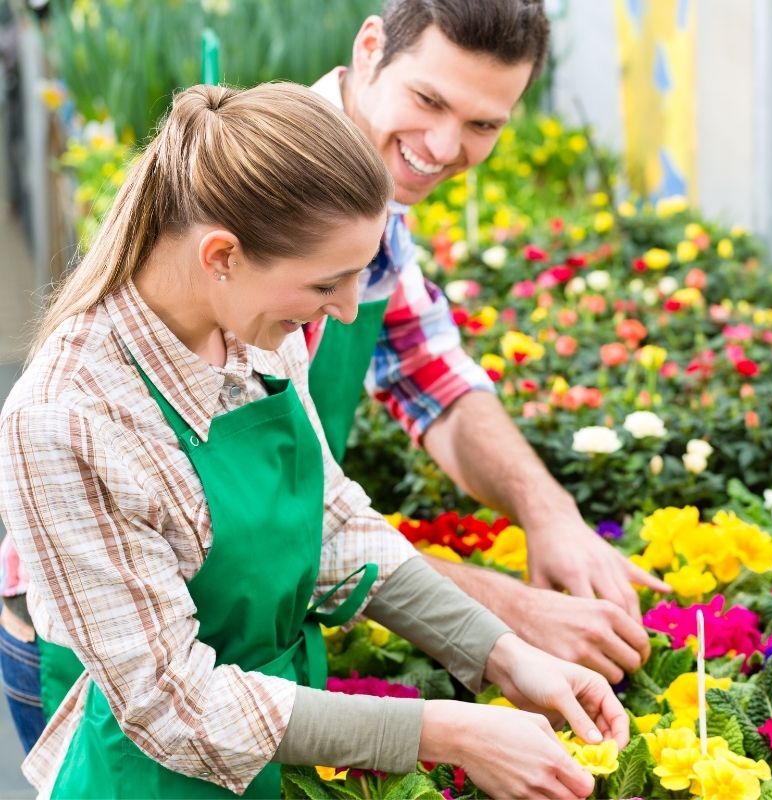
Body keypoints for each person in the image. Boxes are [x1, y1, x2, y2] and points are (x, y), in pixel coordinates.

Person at [0, 82, 626, 799]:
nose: (349, 308)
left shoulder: (253, 332)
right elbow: (173, 704)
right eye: (328, 282)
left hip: (288, 748)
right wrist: (446, 732)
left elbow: (335, 524)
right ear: (222, 256)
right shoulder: (65, 418)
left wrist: (502, 652)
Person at [302, 0, 667, 682]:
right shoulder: (276, 192)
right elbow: (256, 514)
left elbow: (425, 372)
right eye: (429, 99)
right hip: (112, 650)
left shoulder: (369, 199)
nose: (444, 147)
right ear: (370, 47)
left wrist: (549, 512)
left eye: (482, 124)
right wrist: (506, 614)